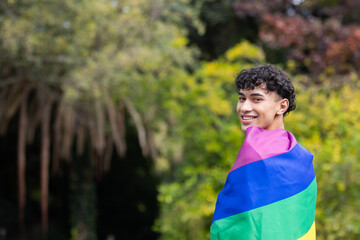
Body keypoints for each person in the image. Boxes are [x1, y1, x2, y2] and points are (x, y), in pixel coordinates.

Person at [210, 64, 317, 240]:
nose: (244, 108)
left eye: (256, 99)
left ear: (282, 106)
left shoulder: (255, 152)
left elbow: (231, 226)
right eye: (242, 98)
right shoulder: (302, 157)